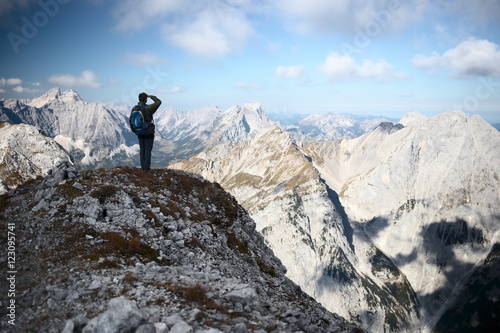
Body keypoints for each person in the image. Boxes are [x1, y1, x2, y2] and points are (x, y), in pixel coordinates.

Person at [131, 92, 161, 171]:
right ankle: (146, 168)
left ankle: (142, 167)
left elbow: (131, 121)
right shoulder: (148, 108)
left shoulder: (134, 108)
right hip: (148, 132)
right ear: (146, 99)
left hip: (139, 132)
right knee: (148, 150)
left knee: (142, 149)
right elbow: (159, 102)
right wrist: (152, 96)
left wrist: (135, 131)